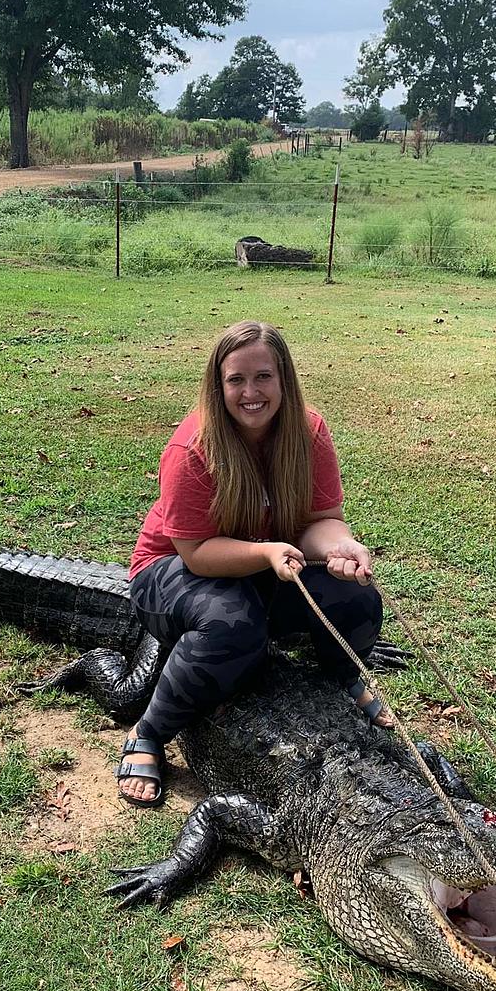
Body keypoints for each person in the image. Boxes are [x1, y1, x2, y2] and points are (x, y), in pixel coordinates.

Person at [119, 320, 392, 807]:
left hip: (267, 566)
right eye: (235, 380)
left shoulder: (308, 432)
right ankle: (150, 732)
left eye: (263, 377)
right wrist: (266, 552)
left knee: (357, 600)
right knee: (235, 623)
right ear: (217, 384)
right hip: (170, 570)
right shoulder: (192, 447)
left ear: (284, 378)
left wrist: (340, 547)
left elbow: (321, 520)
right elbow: (197, 552)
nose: (250, 392)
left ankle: (344, 681)